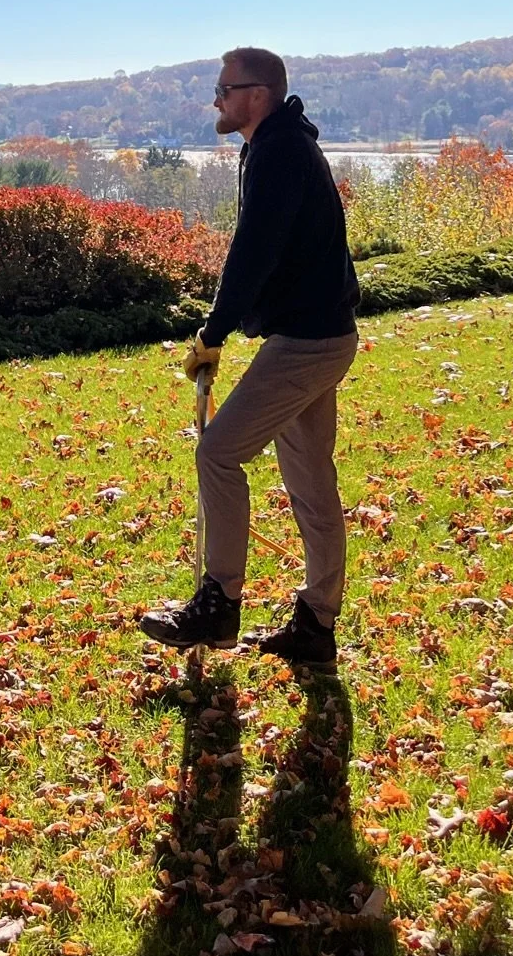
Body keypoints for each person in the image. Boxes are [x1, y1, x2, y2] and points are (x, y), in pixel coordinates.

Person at [140, 47, 360, 667]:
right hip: (321, 336)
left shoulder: (281, 152)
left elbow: (254, 249)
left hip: (307, 343)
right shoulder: (273, 147)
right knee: (312, 482)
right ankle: (316, 627)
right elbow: (265, 251)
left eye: (225, 89)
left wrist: (214, 331)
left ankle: (218, 605)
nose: (217, 99)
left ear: (257, 94)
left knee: (218, 452)